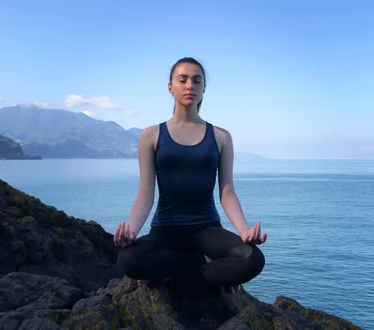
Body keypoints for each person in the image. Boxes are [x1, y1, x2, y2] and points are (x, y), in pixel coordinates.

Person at [114, 57, 267, 290]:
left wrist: (244, 230)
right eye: (182, 80)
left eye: (197, 81)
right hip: (165, 230)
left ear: (204, 88)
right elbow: (146, 192)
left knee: (253, 259)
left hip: (207, 229)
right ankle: (204, 267)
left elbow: (227, 192)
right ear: (170, 87)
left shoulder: (220, 136)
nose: (190, 86)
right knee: (128, 259)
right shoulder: (151, 135)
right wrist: (132, 231)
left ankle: (170, 272)